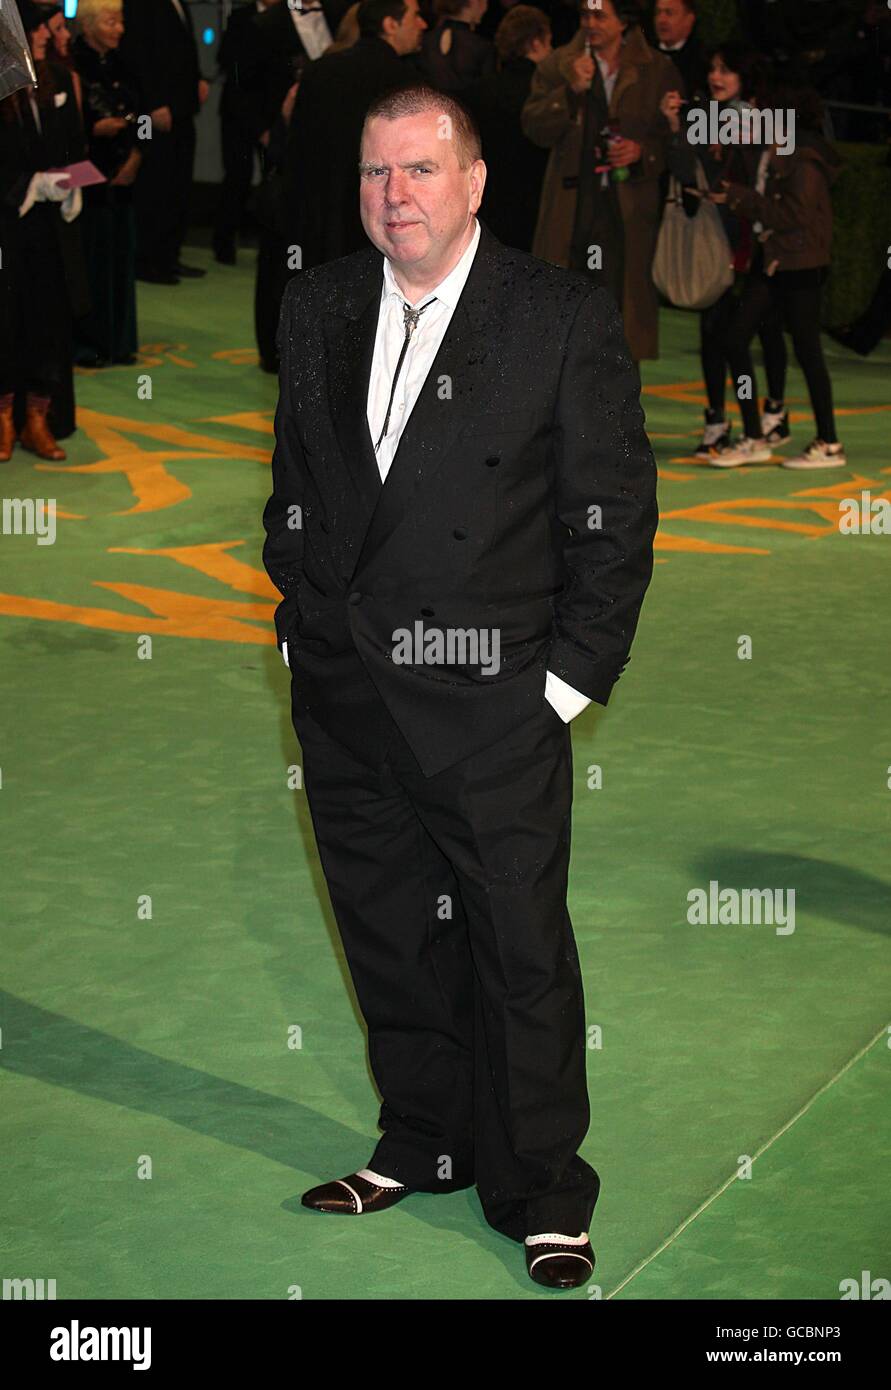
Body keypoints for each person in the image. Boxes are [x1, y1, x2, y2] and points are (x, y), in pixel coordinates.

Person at [262, 82, 657, 1289]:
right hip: (345, 695)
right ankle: (422, 1142)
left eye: (422, 171)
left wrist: (563, 686)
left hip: (491, 702)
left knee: (517, 947)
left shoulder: (557, 317)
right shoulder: (320, 302)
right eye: (379, 174)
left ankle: (542, 1187)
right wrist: (300, 622)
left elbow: (614, 516)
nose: (396, 198)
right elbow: (297, 484)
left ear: (476, 182)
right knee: (389, 934)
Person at [522, 0, 680, 362]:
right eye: (584, 15)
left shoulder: (657, 69)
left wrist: (643, 152)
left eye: (600, 15)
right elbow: (533, 127)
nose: (590, 23)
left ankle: (615, 413)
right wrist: (570, 92)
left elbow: (674, 137)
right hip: (573, 208)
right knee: (560, 316)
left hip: (627, 213)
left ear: (623, 22)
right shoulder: (559, 65)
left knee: (618, 323)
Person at [661, 42, 790, 459]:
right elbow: (687, 170)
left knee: (757, 332)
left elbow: (762, 181)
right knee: (717, 334)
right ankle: (722, 419)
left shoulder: (754, 121)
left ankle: (768, 415)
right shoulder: (710, 118)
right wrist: (675, 126)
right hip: (720, 240)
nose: (717, 77)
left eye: (727, 70)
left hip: (755, 241)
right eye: (713, 68)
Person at [713, 84, 847, 469]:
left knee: (807, 352)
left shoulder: (802, 156)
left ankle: (829, 441)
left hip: (798, 264)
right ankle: (755, 436)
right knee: (737, 338)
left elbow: (795, 215)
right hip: (777, 261)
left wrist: (744, 199)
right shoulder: (780, 149)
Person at [0, 0, 86, 462]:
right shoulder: (3, 83)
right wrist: (25, 186)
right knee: (6, 321)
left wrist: (69, 183)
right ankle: (4, 419)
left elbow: (71, 146)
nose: (45, 37)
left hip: (48, 228)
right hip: (6, 228)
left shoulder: (54, 78)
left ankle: (38, 418)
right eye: (36, 30)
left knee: (47, 319)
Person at [284, 0, 426, 268]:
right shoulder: (408, 82)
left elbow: (296, 146)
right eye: (416, 16)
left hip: (315, 211)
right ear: (390, 24)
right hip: (373, 215)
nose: (423, 24)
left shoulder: (320, 69)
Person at [118, 0, 209, 284]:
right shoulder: (141, 5)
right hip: (157, 114)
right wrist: (154, 105)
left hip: (181, 110)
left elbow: (182, 53)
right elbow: (137, 55)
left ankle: (169, 257)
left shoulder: (178, 3)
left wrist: (197, 81)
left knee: (178, 186)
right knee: (156, 186)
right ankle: (148, 260)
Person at [71, 0, 141, 367]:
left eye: (121, 21)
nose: (119, 29)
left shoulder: (123, 63)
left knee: (120, 257)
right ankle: (90, 343)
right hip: (90, 179)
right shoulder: (72, 65)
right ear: (89, 25)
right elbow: (68, 130)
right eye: (111, 22)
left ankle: (119, 341)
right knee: (92, 261)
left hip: (123, 174)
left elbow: (141, 115)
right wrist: (94, 130)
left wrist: (137, 155)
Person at [466, 4, 551, 250]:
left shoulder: (479, 91)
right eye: (549, 41)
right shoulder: (545, 93)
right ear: (536, 43)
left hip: (489, 203)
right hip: (535, 203)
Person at [417, 0, 496, 96]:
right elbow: (489, 94)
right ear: (474, 2)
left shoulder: (425, 40)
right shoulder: (482, 46)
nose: (486, 7)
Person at [650, 0, 706, 103]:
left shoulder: (703, 60)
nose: (661, 20)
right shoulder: (644, 55)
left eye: (669, 13)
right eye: (658, 13)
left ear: (689, 19)